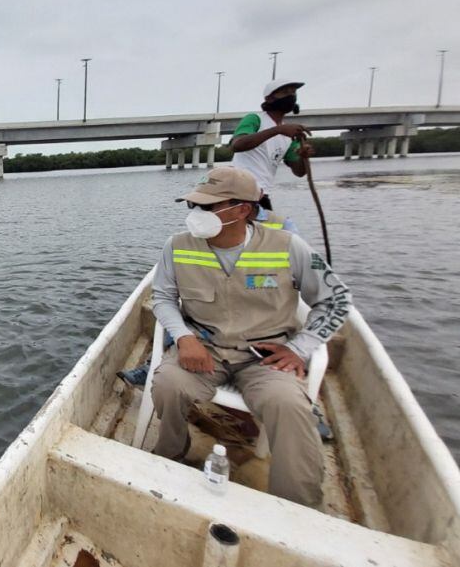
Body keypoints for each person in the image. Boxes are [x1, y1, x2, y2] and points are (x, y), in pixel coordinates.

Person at [149, 166, 352, 507]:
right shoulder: (177, 246)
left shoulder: (289, 246)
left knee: (289, 405)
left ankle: (297, 505)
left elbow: (336, 299)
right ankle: (171, 454)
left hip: (265, 358)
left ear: (242, 209)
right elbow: (163, 298)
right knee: (168, 385)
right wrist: (184, 337)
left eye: (208, 206)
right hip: (206, 349)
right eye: (193, 205)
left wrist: (299, 348)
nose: (197, 213)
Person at [231, 80, 315, 212]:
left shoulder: (289, 134)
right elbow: (237, 145)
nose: (291, 96)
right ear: (269, 98)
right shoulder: (255, 119)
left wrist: (303, 156)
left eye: (293, 92)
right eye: (285, 92)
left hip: (261, 194)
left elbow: (299, 172)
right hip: (238, 192)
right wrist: (278, 130)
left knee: (271, 224)